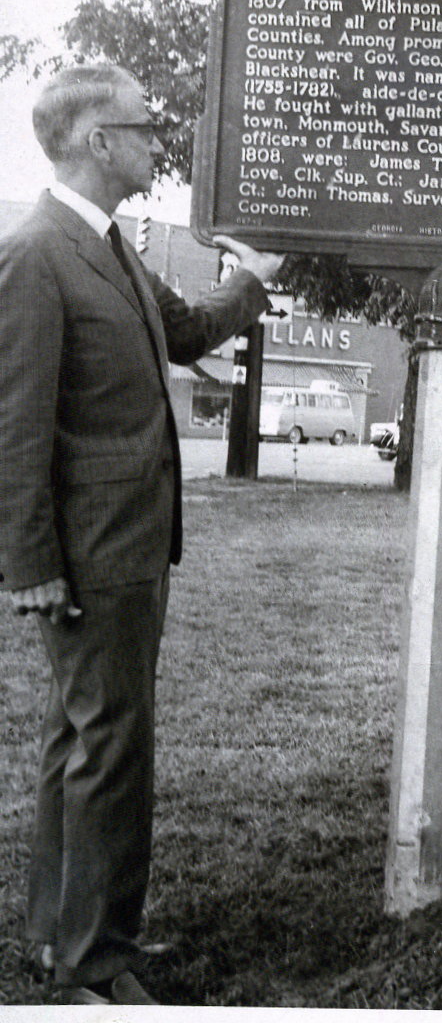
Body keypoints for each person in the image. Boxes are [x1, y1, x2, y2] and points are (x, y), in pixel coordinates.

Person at [0, 63, 284, 1005]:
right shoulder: (37, 253)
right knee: (111, 750)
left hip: (126, 540)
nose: (158, 144)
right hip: (91, 548)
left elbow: (188, 327)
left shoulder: (110, 245)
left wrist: (256, 279)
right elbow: (17, 427)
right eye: (143, 128)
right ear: (96, 141)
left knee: (80, 742)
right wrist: (32, 565)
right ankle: (94, 962)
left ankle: (61, 936)